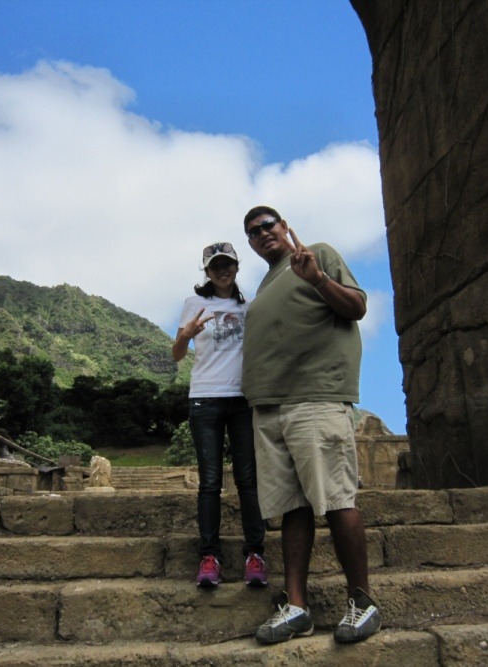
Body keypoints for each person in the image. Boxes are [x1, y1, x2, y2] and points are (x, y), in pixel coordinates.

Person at [240, 206, 382, 644]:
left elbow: (357, 307)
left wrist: (318, 279)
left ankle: (362, 601)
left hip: (315, 396)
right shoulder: (265, 284)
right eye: (253, 232)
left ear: (285, 227)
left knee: (336, 498)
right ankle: (297, 607)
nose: (262, 233)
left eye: (268, 224)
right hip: (269, 406)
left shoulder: (317, 254)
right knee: (292, 507)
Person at [172, 242, 267, 589]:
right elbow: (177, 354)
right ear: (207, 272)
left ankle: (255, 554)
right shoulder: (194, 304)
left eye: (227, 264)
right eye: (215, 266)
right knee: (210, 480)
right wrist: (185, 336)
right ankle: (209, 556)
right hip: (205, 398)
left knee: (248, 479)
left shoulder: (249, 307)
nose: (222, 271)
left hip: (242, 398)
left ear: (236, 267)